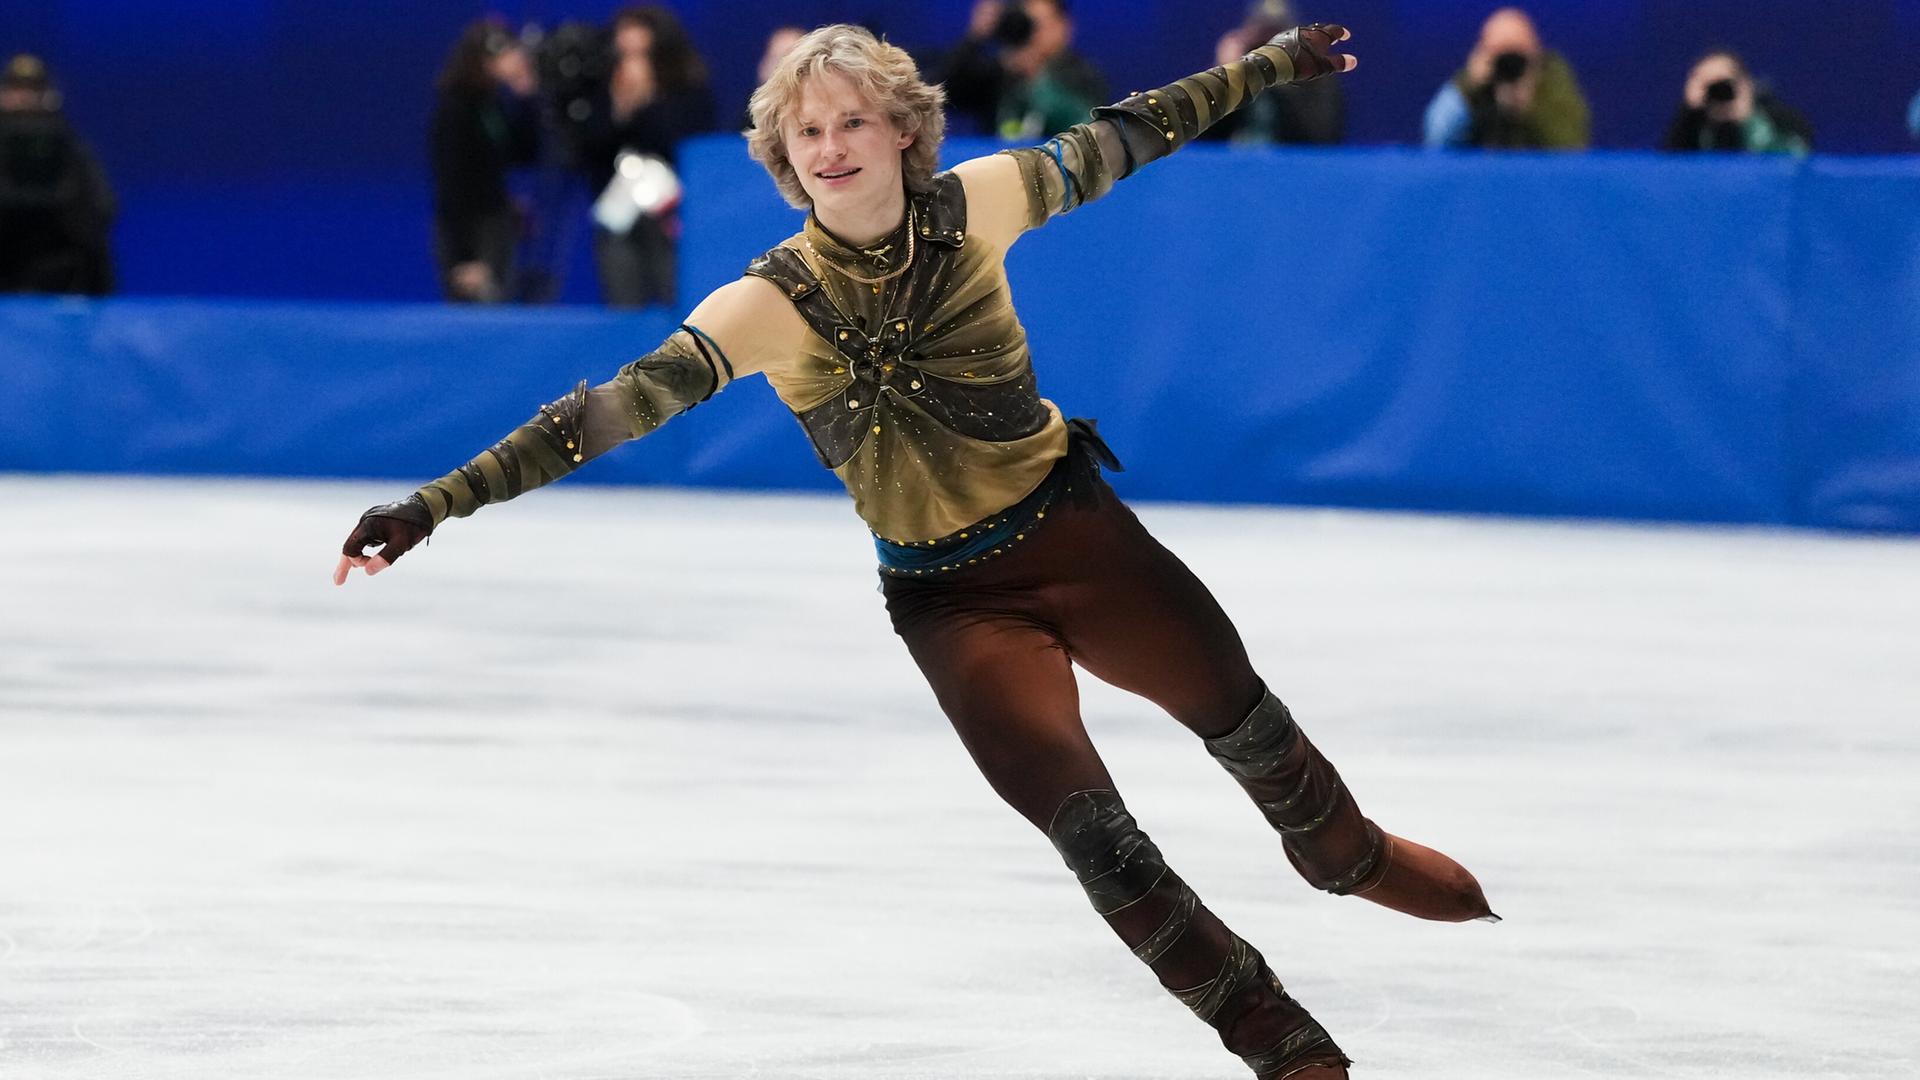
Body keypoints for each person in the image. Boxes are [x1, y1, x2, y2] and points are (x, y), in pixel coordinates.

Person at [336, 23, 1496, 1079]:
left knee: (1246, 724)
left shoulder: (982, 199)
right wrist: (434, 505)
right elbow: (597, 418)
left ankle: (1339, 854)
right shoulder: (763, 306)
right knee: (1097, 838)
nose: (831, 146)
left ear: (901, 130)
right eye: (807, 130)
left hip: (1079, 536)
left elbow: (1127, 135)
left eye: (851, 121)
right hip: (949, 601)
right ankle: (1279, 1041)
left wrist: (1263, 65)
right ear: (784, 156)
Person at [580, 4, 716, 308]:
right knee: (623, 304)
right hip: (620, 216)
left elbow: (683, 145)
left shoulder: (686, 90)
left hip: (671, 216)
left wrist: (648, 101)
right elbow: (591, 151)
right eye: (624, 54)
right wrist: (621, 109)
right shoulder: (603, 91)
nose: (632, 64)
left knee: (677, 303)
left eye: (641, 54)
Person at [430, 21, 541, 304]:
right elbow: (451, 181)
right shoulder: (456, 108)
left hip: (495, 225)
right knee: (476, 317)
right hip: (470, 233)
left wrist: (525, 96)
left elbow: (524, 153)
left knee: (500, 309)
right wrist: (465, 256)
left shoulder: (492, 104)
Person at [0, 53, 116, 296]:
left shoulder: (68, 148)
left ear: (49, 96)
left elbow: (104, 208)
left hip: (59, 279)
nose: (24, 99)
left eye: (33, 90)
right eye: (16, 89)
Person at [937, 0, 1109, 139]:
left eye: (1037, 25)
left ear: (1063, 27)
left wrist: (1036, 77)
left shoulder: (1083, 76)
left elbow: (1088, 128)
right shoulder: (1000, 72)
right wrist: (976, 38)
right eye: (1025, 24)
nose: (1032, 34)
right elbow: (943, 94)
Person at [1422, 7, 1589, 150]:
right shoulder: (1472, 83)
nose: (1509, 64)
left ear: (1535, 50)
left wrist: (1529, 107)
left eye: (1517, 52)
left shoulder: (1550, 78)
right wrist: (1470, 86)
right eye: (1500, 53)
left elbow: (1571, 146)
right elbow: (1435, 138)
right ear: (1483, 52)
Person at [1199, 0, 1345, 146]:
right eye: (1263, 36)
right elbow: (1202, 139)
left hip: (1292, 165)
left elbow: (1321, 137)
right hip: (1237, 165)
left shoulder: (1317, 79)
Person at [1662, 50, 1811, 155]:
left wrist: (1747, 119)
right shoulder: (1692, 122)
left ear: (1745, 84)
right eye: (1710, 86)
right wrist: (1688, 111)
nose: (1718, 92)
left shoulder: (1780, 117)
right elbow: (1670, 167)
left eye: (1724, 84)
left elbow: (1796, 162)